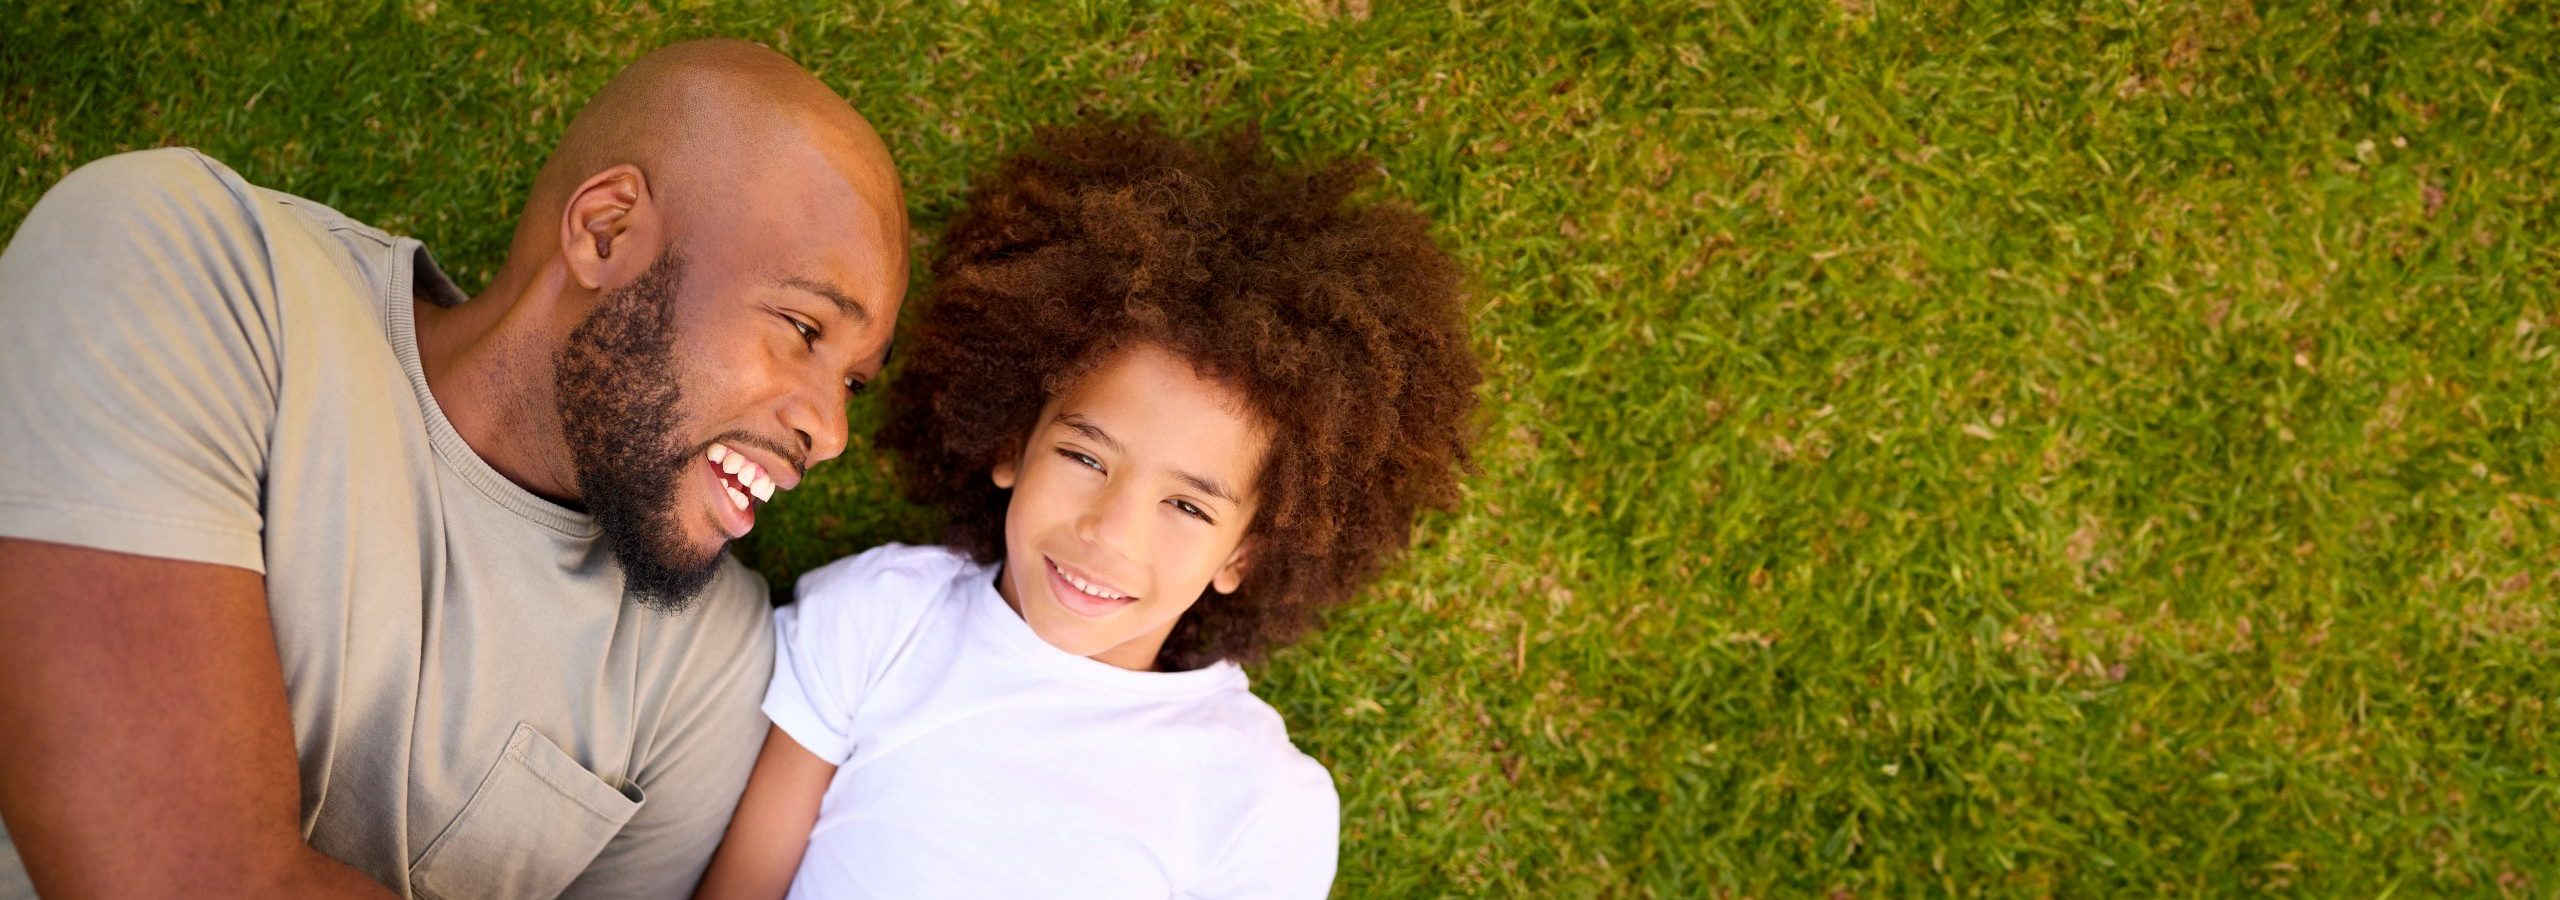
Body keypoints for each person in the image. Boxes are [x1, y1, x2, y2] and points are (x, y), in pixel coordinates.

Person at [0, 39, 907, 898]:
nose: (830, 432)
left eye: (853, 384)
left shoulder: (709, 665)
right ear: (607, 232)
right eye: (803, 329)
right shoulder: (190, 267)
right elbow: (189, 880)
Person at [690, 121, 1482, 899]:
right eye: (1085, 458)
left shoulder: (1258, 803)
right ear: (1014, 445)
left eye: (1187, 506)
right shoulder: (882, 619)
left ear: (1243, 554)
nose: (1110, 530)